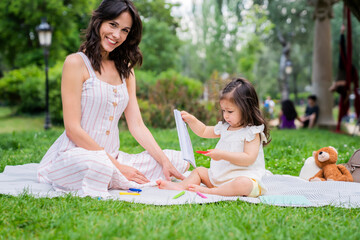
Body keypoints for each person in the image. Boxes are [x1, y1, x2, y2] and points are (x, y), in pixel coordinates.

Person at [37, 0, 187, 197]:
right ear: (99, 21)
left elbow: (137, 125)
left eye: (125, 30)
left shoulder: (126, 69)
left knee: (177, 161)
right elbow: (72, 129)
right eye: (113, 25)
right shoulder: (75, 63)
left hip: (114, 157)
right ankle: (113, 175)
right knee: (98, 166)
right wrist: (116, 166)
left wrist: (163, 161)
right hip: (76, 156)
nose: (117, 35)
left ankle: (116, 177)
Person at [157, 78, 271, 197]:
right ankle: (180, 187)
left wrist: (222, 155)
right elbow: (204, 131)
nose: (225, 115)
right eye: (223, 110)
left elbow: (248, 158)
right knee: (199, 171)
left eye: (230, 111)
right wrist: (192, 121)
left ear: (246, 109)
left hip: (241, 179)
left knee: (243, 184)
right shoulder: (225, 128)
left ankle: (211, 192)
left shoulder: (251, 132)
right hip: (218, 179)